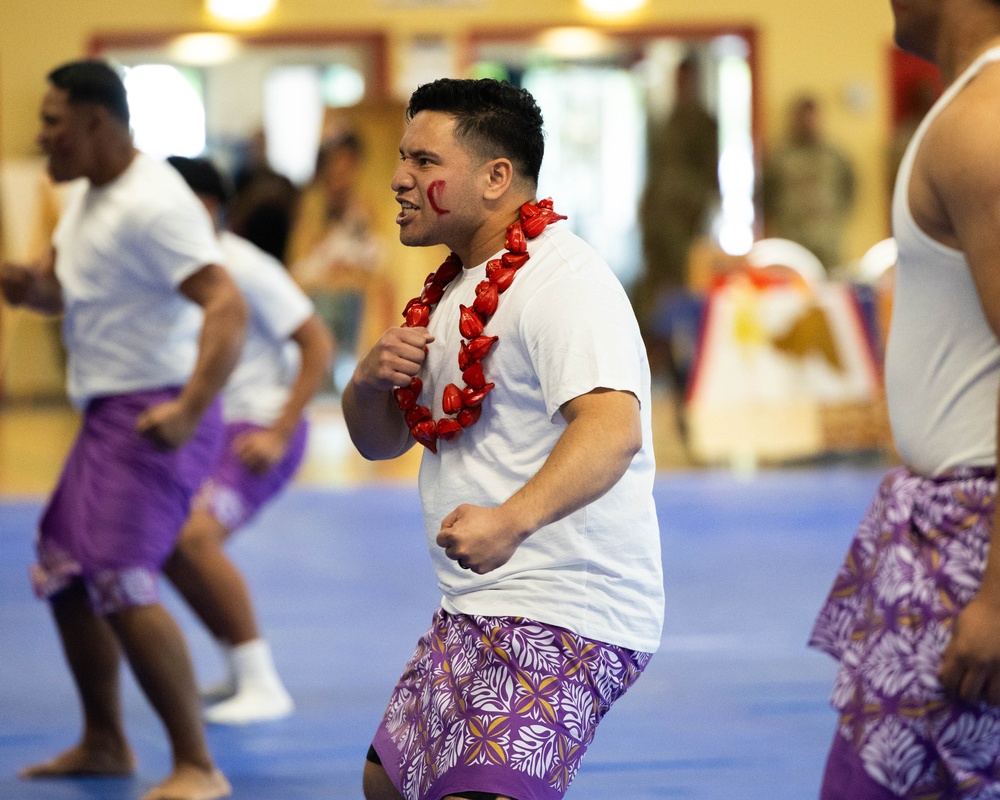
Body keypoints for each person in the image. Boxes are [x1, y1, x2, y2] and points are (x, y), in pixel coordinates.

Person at [343, 77, 664, 800]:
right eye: (403, 157)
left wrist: (511, 521)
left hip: (564, 608)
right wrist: (367, 382)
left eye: (424, 162)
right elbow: (381, 443)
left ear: (496, 178)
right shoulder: (454, 288)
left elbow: (613, 428)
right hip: (476, 605)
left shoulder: (563, 281)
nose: (398, 177)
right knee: (385, 784)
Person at [0, 60, 247, 800]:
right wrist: (27, 287)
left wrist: (189, 410)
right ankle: (107, 742)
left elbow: (225, 304)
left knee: (117, 573)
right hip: (109, 410)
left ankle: (199, 766)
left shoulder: (154, 203)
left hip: (156, 410)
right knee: (65, 569)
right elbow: (65, 294)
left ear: (95, 124)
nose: (43, 136)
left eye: (52, 122)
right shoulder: (85, 198)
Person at [808, 1, 1000, 797]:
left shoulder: (979, 126)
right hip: (950, 527)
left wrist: (995, 595)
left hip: (974, 539)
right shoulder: (967, 113)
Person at [162, 155, 334, 725]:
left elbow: (317, 343)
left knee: (194, 539)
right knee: (165, 543)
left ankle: (263, 683)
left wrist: (281, 432)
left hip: (257, 431)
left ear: (205, 208)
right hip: (211, 431)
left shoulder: (246, 266)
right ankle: (240, 667)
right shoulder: (178, 266)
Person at [288, 131, 383, 394]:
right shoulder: (312, 206)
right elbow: (298, 265)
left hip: (357, 302)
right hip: (318, 300)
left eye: (348, 164)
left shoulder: (366, 206)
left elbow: (380, 258)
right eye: (335, 164)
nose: (341, 172)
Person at [761, 94, 856, 270]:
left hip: (827, 238)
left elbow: (849, 188)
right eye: (803, 117)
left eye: (812, 116)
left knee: (831, 287)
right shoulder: (780, 156)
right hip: (792, 237)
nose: (808, 122)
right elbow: (767, 193)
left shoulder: (835, 155)